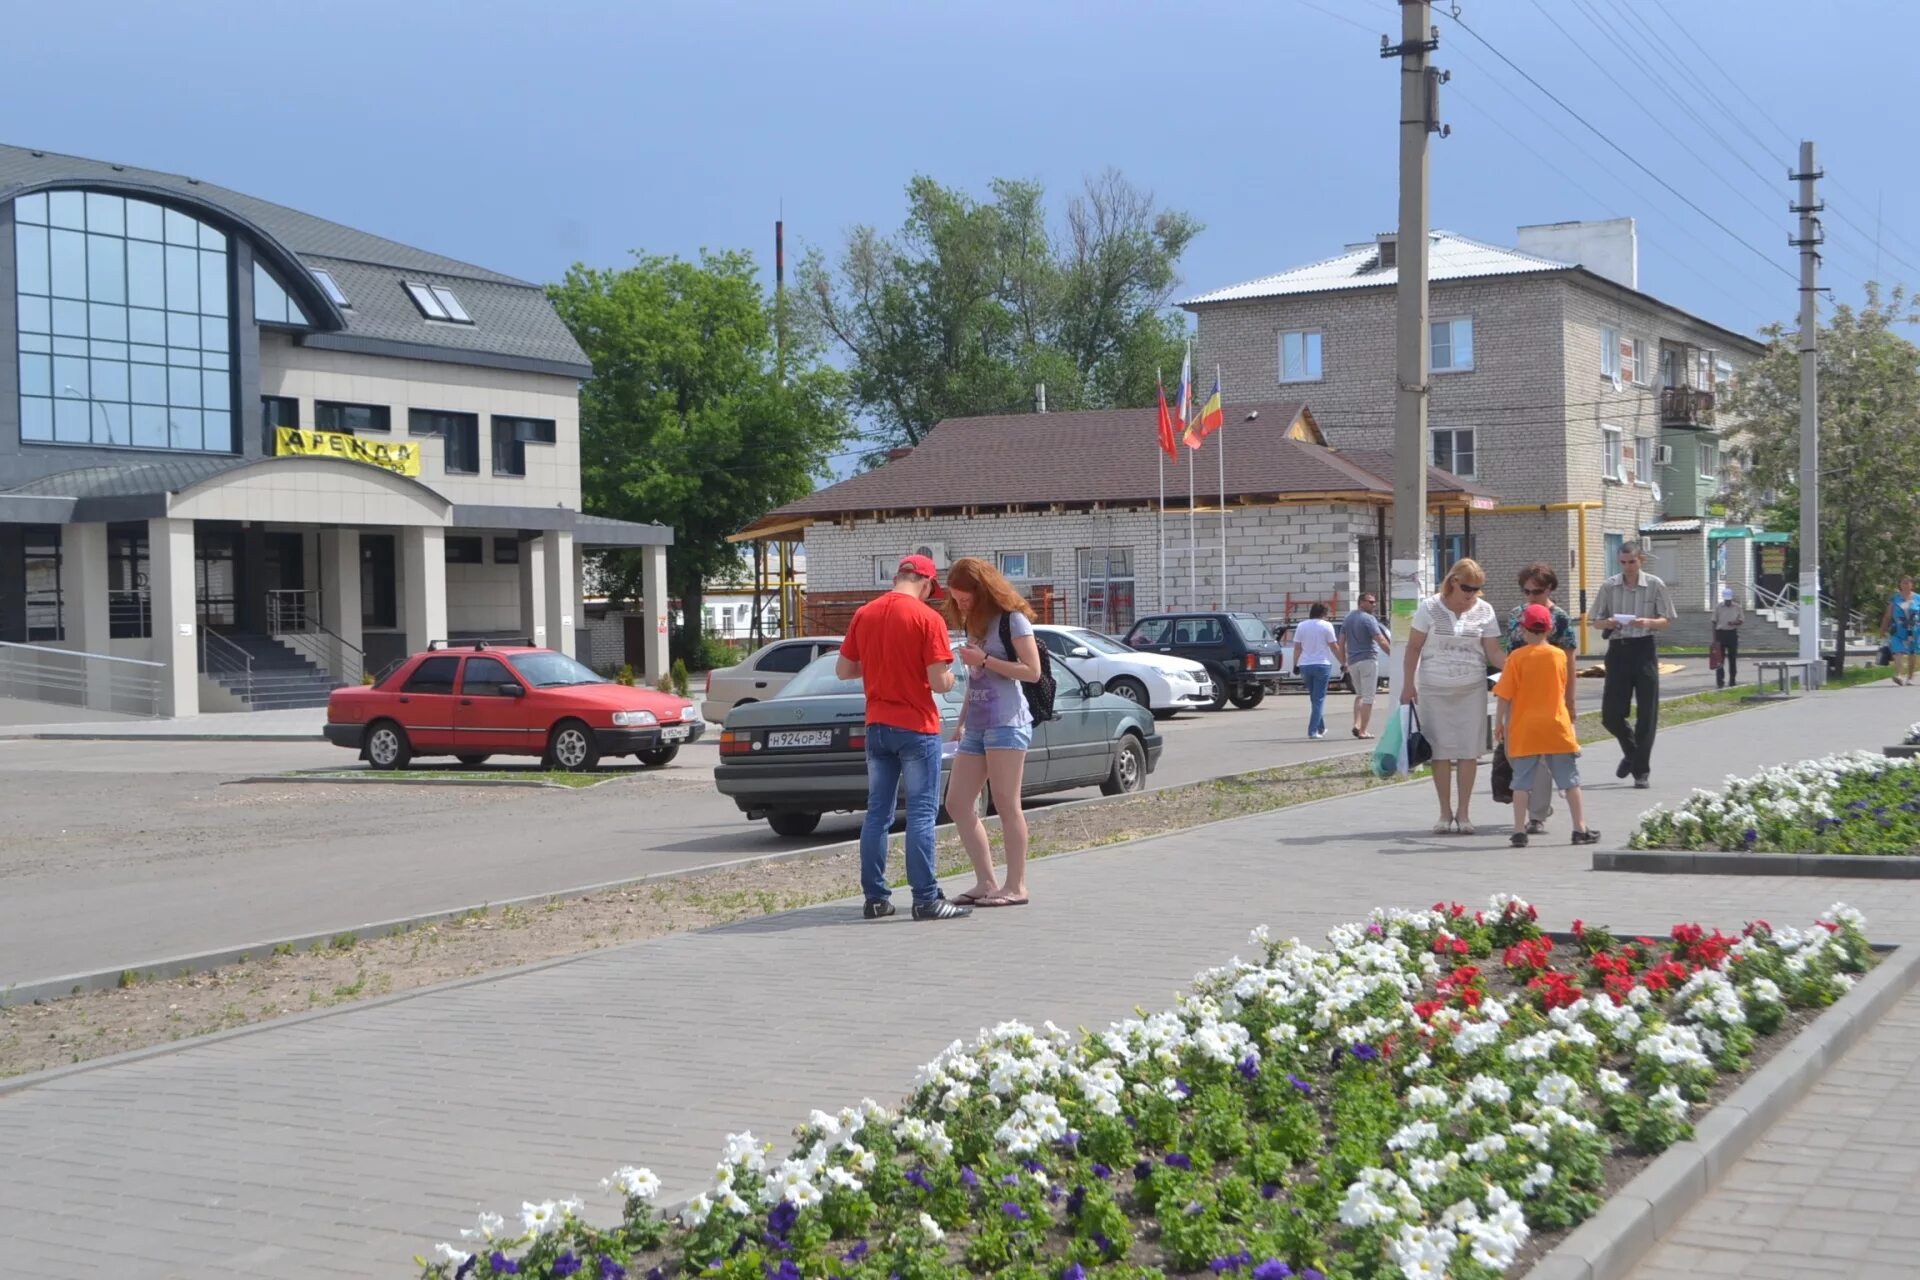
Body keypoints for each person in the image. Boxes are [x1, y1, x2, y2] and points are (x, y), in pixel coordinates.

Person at [836, 553, 972, 921]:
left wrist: (883, 663)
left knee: (877, 813)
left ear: (898, 576)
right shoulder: (927, 618)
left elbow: (844, 669)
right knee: (922, 813)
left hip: (877, 726)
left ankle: (876, 899)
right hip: (916, 727)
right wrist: (953, 674)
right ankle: (926, 899)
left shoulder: (865, 613)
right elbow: (937, 682)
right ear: (926, 583)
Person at [941, 557, 1043, 909]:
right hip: (978, 725)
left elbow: (1032, 671)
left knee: (1006, 803)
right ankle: (986, 881)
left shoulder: (1012, 619)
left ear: (982, 591)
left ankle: (1016, 886)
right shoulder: (974, 622)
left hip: (1008, 723)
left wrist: (984, 660)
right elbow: (975, 679)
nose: (960, 605)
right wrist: (962, 720)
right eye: (955, 599)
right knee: (956, 802)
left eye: (965, 598)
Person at [1401, 558, 1507, 835]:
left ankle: (1464, 813)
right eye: (1467, 588)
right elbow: (1413, 647)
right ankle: (1444, 812)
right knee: (1440, 751)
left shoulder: (1485, 610)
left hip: (1471, 688)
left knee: (1468, 750)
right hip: (1434, 687)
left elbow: (1493, 652)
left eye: (1477, 589)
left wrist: (1518, 667)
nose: (1471, 594)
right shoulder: (1429, 607)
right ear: (1453, 582)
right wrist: (1407, 684)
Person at [1495, 603, 1600, 848]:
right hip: (1556, 726)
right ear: (1549, 628)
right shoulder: (1559, 655)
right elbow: (1562, 687)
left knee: (1521, 782)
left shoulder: (1516, 658)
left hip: (1525, 728)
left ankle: (1519, 831)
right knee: (1570, 780)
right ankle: (1579, 828)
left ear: (1523, 629)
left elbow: (1505, 694)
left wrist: (1499, 722)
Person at [1593, 539, 1676, 790]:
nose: (1628, 567)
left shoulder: (1654, 584)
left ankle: (1641, 771)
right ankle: (1631, 753)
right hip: (1618, 651)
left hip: (1644, 649)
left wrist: (1647, 622)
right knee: (1611, 714)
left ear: (1641, 560)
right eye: (1623, 562)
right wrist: (1608, 622)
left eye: (1632, 562)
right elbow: (1595, 621)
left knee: (1647, 714)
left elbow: (1667, 620)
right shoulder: (1609, 586)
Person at [1502, 563, 1577, 835]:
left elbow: (1569, 659)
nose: (1531, 596)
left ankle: (1536, 814)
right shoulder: (1516, 615)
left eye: (1537, 591)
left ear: (1550, 588)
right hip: (1518, 694)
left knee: (1543, 757)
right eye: (1526, 591)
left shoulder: (1560, 617)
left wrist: (1570, 700)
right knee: (1515, 753)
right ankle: (1534, 804)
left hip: (1549, 697)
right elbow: (1509, 655)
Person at [1340, 593, 1391, 739]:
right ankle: (1363, 730)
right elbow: (1379, 639)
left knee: (1360, 695)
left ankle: (1357, 724)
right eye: (1371, 602)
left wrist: (1344, 662)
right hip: (1368, 660)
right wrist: (1393, 655)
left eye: (1374, 602)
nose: (1374, 604)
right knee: (1368, 698)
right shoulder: (1368, 619)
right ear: (1361, 602)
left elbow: (1341, 641)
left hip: (1353, 662)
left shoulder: (1348, 618)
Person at [1292, 602, 1343, 740]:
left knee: (1314, 698)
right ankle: (1312, 730)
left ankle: (1321, 727)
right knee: (1319, 699)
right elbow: (1334, 646)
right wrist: (1343, 662)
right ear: (1324, 613)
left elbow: (1297, 647)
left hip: (1305, 665)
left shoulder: (1302, 625)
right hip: (1322, 664)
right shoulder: (1326, 626)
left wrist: (1295, 664)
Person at [1884, 576, 1920, 686]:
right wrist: (1883, 630)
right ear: (1900, 585)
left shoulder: (1918, 598)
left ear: (1912, 585)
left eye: (1908, 583)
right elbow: (1888, 616)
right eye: (1903, 583)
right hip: (1898, 630)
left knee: (1912, 653)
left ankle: (1910, 677)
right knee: (1897, 651)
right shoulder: (1895, 599)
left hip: (1914, 630)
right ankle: (1899, 675)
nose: (1905, 585)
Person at [1712, 585, 1744, 688]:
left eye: (1729, 600)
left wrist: (1735, 622)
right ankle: (1720, 681)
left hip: (1732, 634)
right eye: (1726, 600)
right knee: (1719, 660)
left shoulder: (1737, 607)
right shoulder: (1718, 607)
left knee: (1732, 658)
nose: (1728, 602)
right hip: (1720, 634)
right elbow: (1713, 621)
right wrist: (1714, 639)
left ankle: (1732, 680)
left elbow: (1741, 620)